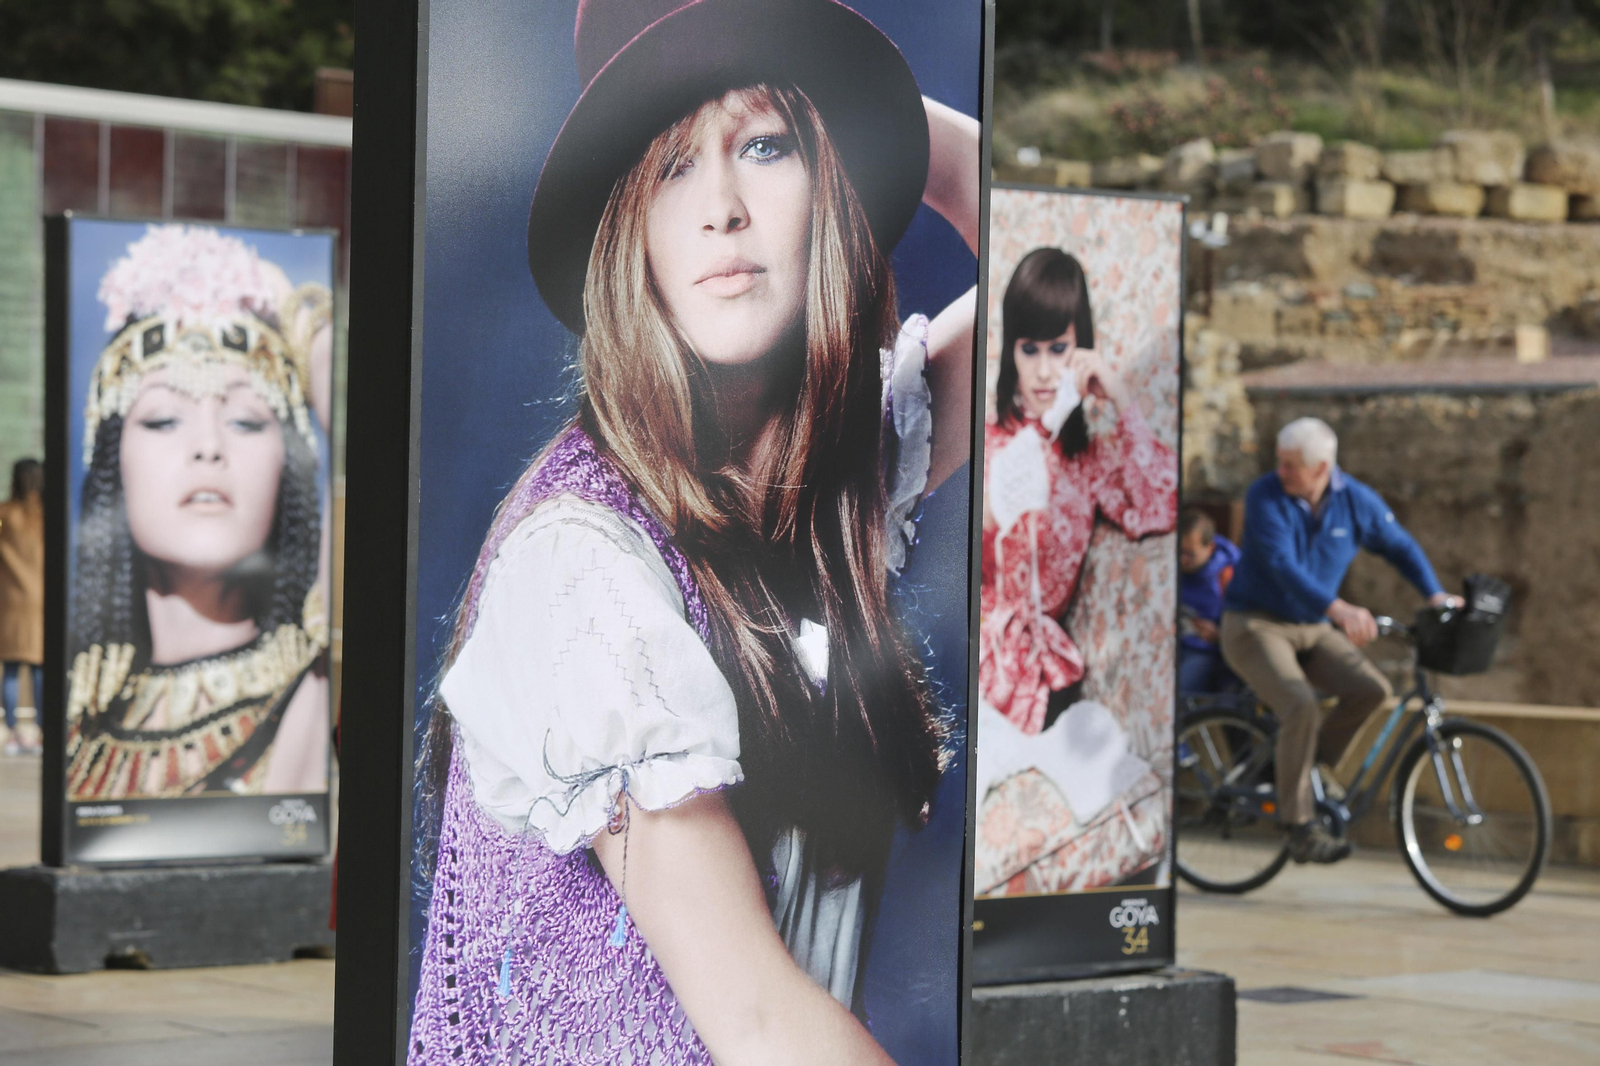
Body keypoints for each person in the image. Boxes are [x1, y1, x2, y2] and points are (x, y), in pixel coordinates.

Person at [407, 2, 980, 1062]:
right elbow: (757, 1023)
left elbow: (1060, 278)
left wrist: (873, 113)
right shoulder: (580, 569)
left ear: (831, 184)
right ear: (632, 232)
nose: (721, 205)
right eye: (671, 165)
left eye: (764, 146)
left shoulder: (824, 494)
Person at [64, 225, 333, 799]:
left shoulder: (311, 684)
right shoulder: (79, 725)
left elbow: (389, 447)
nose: (208, 446)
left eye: (246, 420)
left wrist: (300, 321)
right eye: (163, 419)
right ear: (113, 465)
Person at [1220, 417, 1460, 864]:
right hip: (1255, 624)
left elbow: (1399, 546)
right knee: (1300, 705)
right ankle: (1299, 826)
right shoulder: (1265, 495)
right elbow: (1280, 564)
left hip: (1311, 626)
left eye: (1292, 465)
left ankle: (1305, 766)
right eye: (1280, 462)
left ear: (1322, 467)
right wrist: (1341, 609)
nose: (1281, 471)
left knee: (1371, 690)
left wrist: (1434, 592)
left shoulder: (1356, 502)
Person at [978, 247, 1177, 738]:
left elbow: (1160, 506)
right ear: (1011, 351)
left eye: (1059, 349)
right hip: (968, 651)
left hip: (1046, 670)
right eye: (1030, 349)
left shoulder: (1091, 460)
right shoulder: (980, 443)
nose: (1045, 371)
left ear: (1080, 349)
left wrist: (1121, 397)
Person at [0, 459, 44, 756]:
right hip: (44, 598)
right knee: (41, 669)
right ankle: (43, 730)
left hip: (12, 600)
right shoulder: (48, 514)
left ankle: (15, 731)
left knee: (13, 668)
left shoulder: (5, 514)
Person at [1177, 506, 1239, 698]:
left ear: (1209, 548)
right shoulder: (1165, 565)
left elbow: (1248, 624)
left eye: (1189, 554)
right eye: (1178, 551)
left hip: (1206, 651)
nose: (1181, 560)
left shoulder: (1229, 575)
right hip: (1167, 647)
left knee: (1179, 691)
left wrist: (1219, 635)